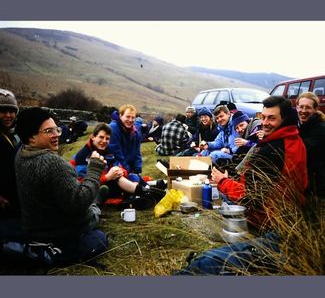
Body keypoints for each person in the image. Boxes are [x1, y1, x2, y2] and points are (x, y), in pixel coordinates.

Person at [175, 96, 308, 275]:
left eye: (272, 118)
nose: (265, 123)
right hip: (289, 216)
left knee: (205, 262)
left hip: (271, 222)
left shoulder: (272, 150)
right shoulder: (294, 140)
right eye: (264, 117)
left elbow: (250, 198)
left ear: (285, 119)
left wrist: (223, 181)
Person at [14, 107, 108, 265]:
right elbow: (77, 204)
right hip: (59, 234)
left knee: (90, 202)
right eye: (49, 131)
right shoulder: (53, 163)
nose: (57, 134)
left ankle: (96, 201)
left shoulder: (21, 154)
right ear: (32, 137)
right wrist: (95, 169)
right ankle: (96, 205)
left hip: (35, 230)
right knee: (98, 236)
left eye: (56, 129)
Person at [72, 123, 164, 209]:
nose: (104, 141)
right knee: (117, 180)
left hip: (112, 183)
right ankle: (146, 194)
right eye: (101, 137)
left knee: (132, 176)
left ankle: (141, 194)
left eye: (107, 138)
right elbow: (83, 182)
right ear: (93, 137)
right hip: (93, 188)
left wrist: (120, 172)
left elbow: (119, 166)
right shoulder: (83, 155)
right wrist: (108, 177)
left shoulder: (108, 151)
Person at [0, 89, 23, 242]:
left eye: (11, 111)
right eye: (2, 111)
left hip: (12, 201)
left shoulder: (12, 136)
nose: (8, 115)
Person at [296, 92, 325, 206]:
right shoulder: (301, 124)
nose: (303, 111)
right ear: (297, 107)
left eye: (308, 107)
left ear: (315, 109)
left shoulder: (320, 129)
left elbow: (302, 150)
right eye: (301, 107)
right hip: (307, 181)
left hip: (317, 185)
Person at [108, 104, 143, 182]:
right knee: (135, 180)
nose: (130, 120)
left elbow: (137, 153)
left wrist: (138, 169)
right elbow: (117, 154)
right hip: (115, 166)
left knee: (139, 181)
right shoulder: (113, 129)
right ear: (120, 116)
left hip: (129, 167)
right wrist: (128, 170)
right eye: (127, 116)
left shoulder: (135, 133)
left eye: (133, 117)